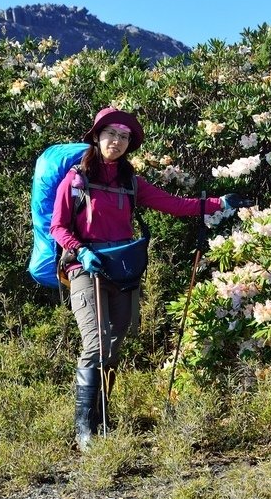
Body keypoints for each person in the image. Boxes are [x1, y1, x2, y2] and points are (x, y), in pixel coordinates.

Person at [51, 107, 251, 450]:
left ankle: (102, 420)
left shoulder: (130, 182)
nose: (116, 141)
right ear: (96, 137)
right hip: (85, 267)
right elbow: (58, 226)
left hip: (122, 268)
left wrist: (218, 203)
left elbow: (174, 204)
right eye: (111, 134)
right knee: (96, 342)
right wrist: (80, 251)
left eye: (124, 136)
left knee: (115, 342)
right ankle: (84, 430)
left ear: (130, 143)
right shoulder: (76, 179)